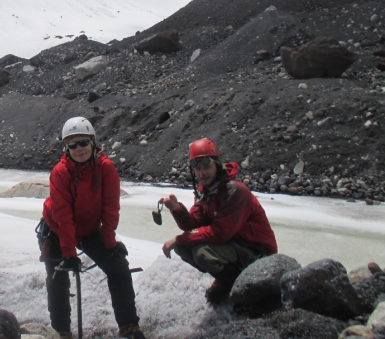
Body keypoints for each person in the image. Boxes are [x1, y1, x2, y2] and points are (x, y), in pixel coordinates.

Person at [38, 116, 144, 339]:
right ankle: (61, 331)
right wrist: (69, 252)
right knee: (58, 280)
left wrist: (109, 241)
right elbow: (62, 215)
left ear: (93, 142)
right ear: (66, 148)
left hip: (87, 228)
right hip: (57, 229)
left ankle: (129, 326)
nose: (79, 149)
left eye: (84, 142)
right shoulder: (60, 172)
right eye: (73, 145)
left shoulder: (105, 168)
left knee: (118, 267)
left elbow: (110, 208)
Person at [159, 138, 277, 304]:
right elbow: (194, 223)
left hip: (256, 251)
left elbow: (219, 233)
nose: (202, 173)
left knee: (202, 252)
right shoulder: (206, 191)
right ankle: (229, 278)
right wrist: (176, 209)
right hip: (234, 246)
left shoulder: (235, 191)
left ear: (217, 165)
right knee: (184, 247)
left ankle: (235, 283)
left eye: (206, 167)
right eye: (198, 169)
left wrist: (179, 238)